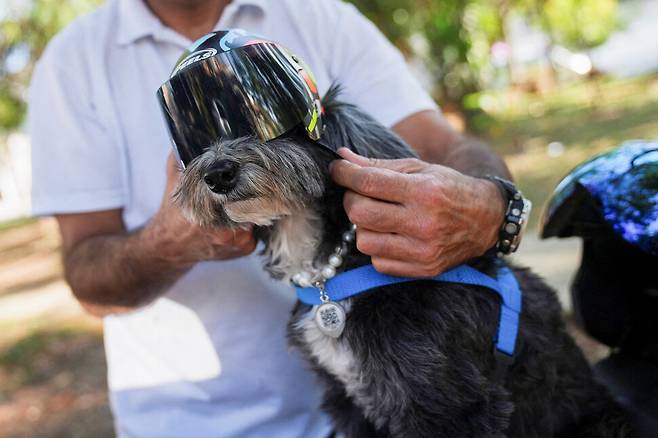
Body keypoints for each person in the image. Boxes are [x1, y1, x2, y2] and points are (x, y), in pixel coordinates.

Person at [29, 0, 520, 436]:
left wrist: (490, 203)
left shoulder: (320, 16)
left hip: (397, 373)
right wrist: (167, 241)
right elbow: (86, 274)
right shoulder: (74, 60)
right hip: (183, 422)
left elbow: (447, 149)